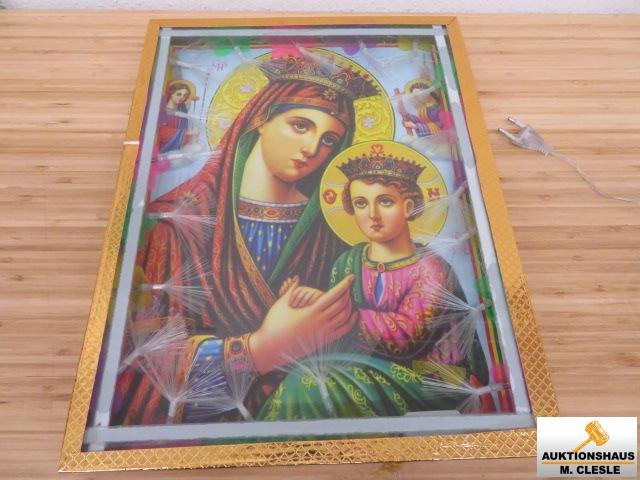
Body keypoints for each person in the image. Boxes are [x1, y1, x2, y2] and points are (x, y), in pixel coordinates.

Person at [111, 55, 380, 426]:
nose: (311, 148)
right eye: (300, 125)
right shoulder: (172, 225)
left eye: (329, 140)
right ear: (260, 118)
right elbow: (138, 369)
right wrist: (260, 350)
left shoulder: (334, 232)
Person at [256, 146, 493, 420]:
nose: (372, 214)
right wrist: (304, 306)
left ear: (408, 207)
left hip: (427, 379)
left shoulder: (430, 268)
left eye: (385, 202)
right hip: (360, 368)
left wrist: (331, 308)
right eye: (360, 203)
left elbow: (405, 338)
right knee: (298, 381)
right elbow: (335, 341)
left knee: (308, 387)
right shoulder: (348, 262)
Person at [157, 80, 199, 153]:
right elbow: (162, 132)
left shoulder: (181, 108)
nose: (181, 97)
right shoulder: (163, 110)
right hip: (166, 147)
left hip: (180, 145)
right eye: (179, 94)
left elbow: (187, 102)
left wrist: (191, 98)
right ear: (171, 93)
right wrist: (187, 133)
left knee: (197, 148)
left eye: (184, 95)